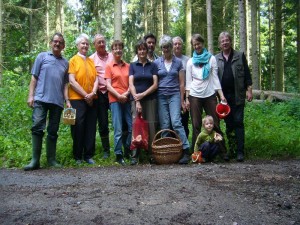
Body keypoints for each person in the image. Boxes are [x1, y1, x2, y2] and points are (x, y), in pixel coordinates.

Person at [24, 32, 70, 171]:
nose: (57, 44)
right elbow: (34, 78)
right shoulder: (42, 57)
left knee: (53, 130)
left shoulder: (65, 63)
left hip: (57, 102)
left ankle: (51, 160)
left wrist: (67, 101)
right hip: (41, 99)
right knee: (37, 127)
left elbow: (65, 85)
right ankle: (35, 161)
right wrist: (30, 96)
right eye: (55, 41)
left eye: (60, 42)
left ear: (63, 46)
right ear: (51, 43)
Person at [185, 33, 227, 158]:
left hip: (210, 95)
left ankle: (222, 152)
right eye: (194, 44)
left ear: (203, 44)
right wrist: (187, 98)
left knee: (215, 124)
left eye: (199, 43)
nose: (197, 46)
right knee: (196, 125)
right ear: (192, 46)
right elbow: (188, 82)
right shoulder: (190, 62)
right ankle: (196, 154)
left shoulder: (211, 59)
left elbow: (215, 78)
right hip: (194, 96)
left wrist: (221, 95)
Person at [215, 31, 253, 162]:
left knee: (238, 122)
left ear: (230, 41)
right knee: (229, 124)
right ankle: (231, 149)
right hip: (224, 98)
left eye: (227, 40)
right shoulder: (216, 58)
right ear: (220, 44)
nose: (225, 42)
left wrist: (249, 90)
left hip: (238, 95)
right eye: (222, 41)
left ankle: (240, 152)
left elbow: (247, 75)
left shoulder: (239, 55)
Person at [154, 35, 190, 164]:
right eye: (164, 47)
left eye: (168, 46)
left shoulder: (178, 62)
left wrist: (182, 100)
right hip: (161, 96)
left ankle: (186, 150)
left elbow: (181, 83)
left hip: (174, 94)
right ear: (161, 48)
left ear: (171, 47)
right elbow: (155, 81)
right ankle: (166, 152)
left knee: (176, 122)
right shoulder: (157, 62)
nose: (166, 49)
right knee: (164, 124)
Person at [68, 33, 98, 165]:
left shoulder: (91, 61)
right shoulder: (73, 60)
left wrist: (92, 93)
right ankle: (77, 156)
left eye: (87, 43)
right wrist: (85, 95)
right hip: (76, 99)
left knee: (91, 127)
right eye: (82, 43)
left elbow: (96, 79)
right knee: (78, 127)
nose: (85, 45)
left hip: (92, 99)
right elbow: (72, 81)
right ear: (77, 45)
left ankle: (88, 155)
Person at [129, 39, 158, 165]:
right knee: (136, 126)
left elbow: (155, 84)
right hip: (135, 101)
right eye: (140, 49)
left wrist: (143, 94)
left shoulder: (153, 65)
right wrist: (137, 100)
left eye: (144, 49)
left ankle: (151, 154)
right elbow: (131, 84)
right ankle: (135, 156)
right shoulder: (132, 66)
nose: (142, 51)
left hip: (150, 100)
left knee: (151, 127)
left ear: (147, 51)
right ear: (137, 51)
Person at [105, 40, 132, 166]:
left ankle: (127, 149)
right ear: (112, 50)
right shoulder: (109, 66)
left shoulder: (128, 66)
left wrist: (125, 94)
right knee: (118, 128)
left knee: (131, 127)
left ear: (122, 50)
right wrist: (119, 95)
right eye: (115, 48)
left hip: (127, 99)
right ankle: (118, 154)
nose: (118, 50)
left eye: (120, 47)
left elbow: (131, 84)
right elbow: (108, 86)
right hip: (115, 100)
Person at [89, 34, 113, 159]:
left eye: (103, 41)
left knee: (118, 121)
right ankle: (106, 151)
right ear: (94, 45)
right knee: (103, 123)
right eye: (99, 42)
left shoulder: (112, 56)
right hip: (100, 94)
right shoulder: (91, 59)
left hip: (114, 92)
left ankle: (123, 149)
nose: (102, 44)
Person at [173, 36, 190, 139]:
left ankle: (184, 147)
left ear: (182, 45)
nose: (177, 46)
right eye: (175, 44)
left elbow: (190, 79)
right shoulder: (168, 59)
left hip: (184, 94)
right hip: (172, 94)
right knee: (173, 122)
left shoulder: (188, 60)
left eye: (179, 44)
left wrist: (186, 98)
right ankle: (174, 146)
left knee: (184, 121)